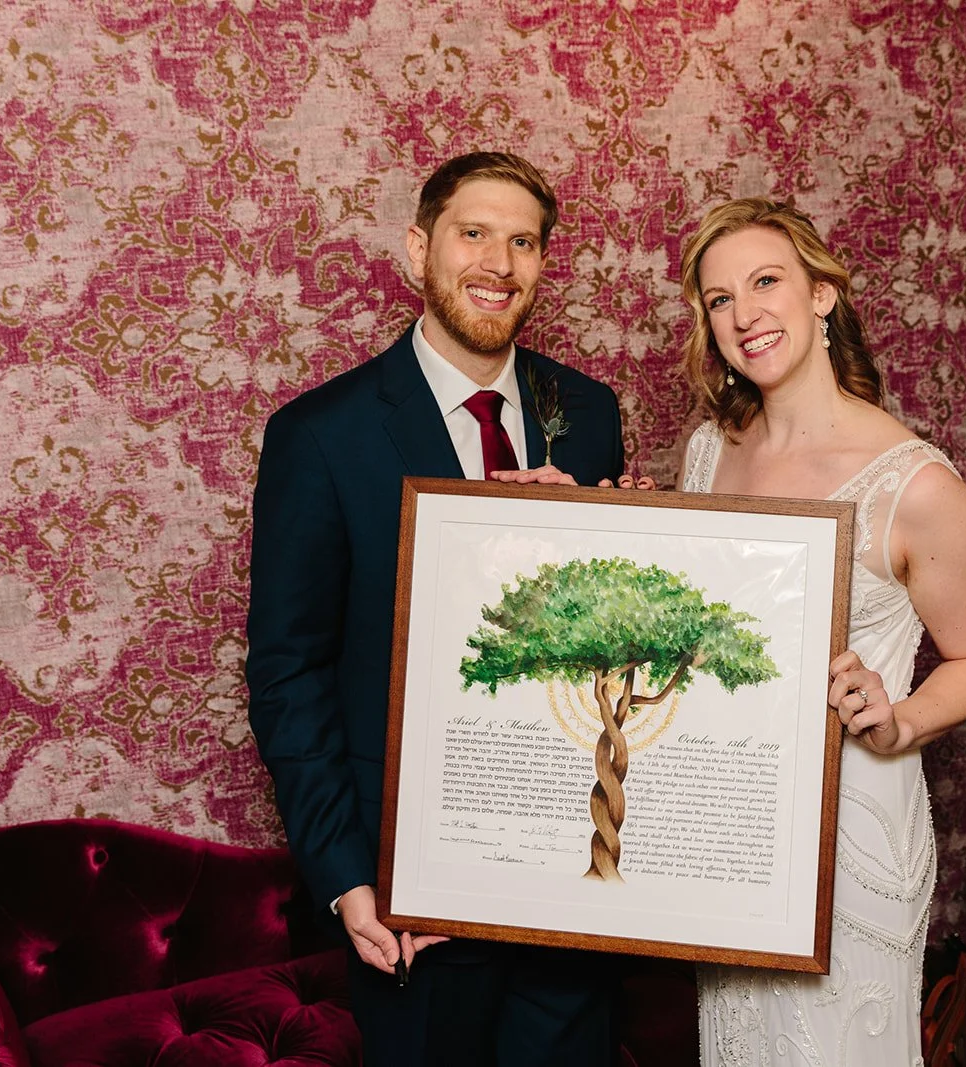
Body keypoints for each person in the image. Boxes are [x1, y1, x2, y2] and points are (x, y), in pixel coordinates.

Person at [246, 151, 625, 1065]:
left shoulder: (588, 410)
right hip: (414, 889)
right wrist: (347, 878)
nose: (499, 262)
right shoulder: (320, 435)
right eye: (474, 234)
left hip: (574, 879)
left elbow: (610, 640)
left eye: (523, 241)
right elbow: (288, 673)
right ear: (419, 251)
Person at [674, 197, 966, 1065]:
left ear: (823, 292)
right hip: (736, 815)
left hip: (854, 824)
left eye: (765, 281)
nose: (744, 313)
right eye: (719, 299)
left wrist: (899, 719)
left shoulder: (916, 485)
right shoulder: (709, 452)